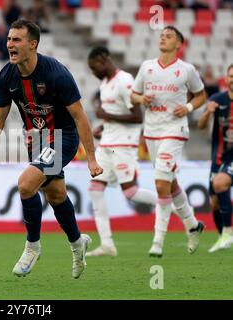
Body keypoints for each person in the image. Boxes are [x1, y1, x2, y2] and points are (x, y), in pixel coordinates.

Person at [0, 19, 103, 278]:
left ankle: (32, 246)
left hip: (63, 137)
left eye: (16, 40)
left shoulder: (56, 73)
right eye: (9, 39)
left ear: (32, 44)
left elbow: (80, 116)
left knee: (26, 184)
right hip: (36, 141)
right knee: (56, 195)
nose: (9, 44)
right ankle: (77, 242)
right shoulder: (7, 76)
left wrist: (91, 159)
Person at [131, 26, 207, 258]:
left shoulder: (186, 70)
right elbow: (133, 94)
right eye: (161, 35)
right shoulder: (147, 67)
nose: (163, 37)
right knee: (170, 183)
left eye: (169, 35)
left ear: (179, 44)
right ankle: (193, 225)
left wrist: (190, 107)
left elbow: (201, 94)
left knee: (161, 184)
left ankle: (158, 241)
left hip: (175, 130)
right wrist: (141, 98)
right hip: (152, 131)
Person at [86, 46, 157, 257]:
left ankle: (169, 203)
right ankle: (107, 244)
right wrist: (104, 126)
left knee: (130, 192)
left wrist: (106, 115)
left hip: (124, 144)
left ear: (102, 60)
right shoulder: (105, 83)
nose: (93, 72)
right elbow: (114, 115)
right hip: (108, 143)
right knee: (94, 188)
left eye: (93, 67)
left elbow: (137, 116)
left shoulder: (125, 81)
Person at [198, 64, 233, 252]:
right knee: (214, 202)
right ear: (226, 79)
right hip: (218, 159)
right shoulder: (217, 99)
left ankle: (228, 232)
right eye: (230, 76)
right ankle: (223, 237)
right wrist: (208, 112)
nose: (232, 79)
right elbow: (201, 126)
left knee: (220, 183)